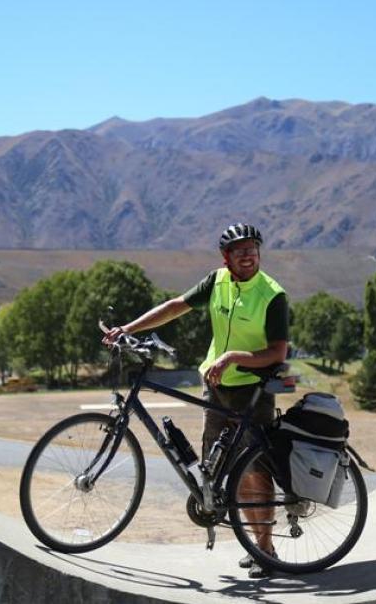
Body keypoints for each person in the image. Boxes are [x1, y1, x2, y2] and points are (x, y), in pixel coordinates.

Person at [102, 223, 289, 578]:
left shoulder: (273, 295)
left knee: (253, 471)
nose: (248, 255)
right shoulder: (216, 281)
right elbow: (175, 307)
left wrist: (233, 356)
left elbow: (277, 352)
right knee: (222, 470)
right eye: (240, 250)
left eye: (253, 248)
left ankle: (265, 549)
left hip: (254, 387)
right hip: (218, 386)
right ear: (226, 258)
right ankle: (253, 544)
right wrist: (128, 328)